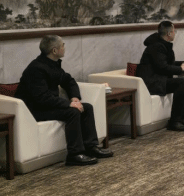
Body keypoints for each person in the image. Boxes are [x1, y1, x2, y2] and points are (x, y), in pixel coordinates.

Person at [15, 35, 113, 166]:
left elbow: (69, 81)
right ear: (54, 51)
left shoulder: (52, 64)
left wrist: (75, 97)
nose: (64, 47)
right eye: (63, 45)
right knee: (72, 112)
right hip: (34, 110)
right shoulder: (36, 69)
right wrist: (69, 104)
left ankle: (90, 147)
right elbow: (42, 98)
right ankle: (74, 154)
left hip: (48, 105)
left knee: (87, 107)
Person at [137, 21, 184, 132]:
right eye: (174, 31)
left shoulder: (162, 44)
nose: (175, 33)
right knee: (182, 82)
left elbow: (166, 63)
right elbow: (162, 67)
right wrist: (180, 69)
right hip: (152, 82)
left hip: (160, 79)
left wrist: (181, 64)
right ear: (169, 34)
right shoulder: (156, 47)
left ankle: (182, 117)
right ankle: (174, 121)